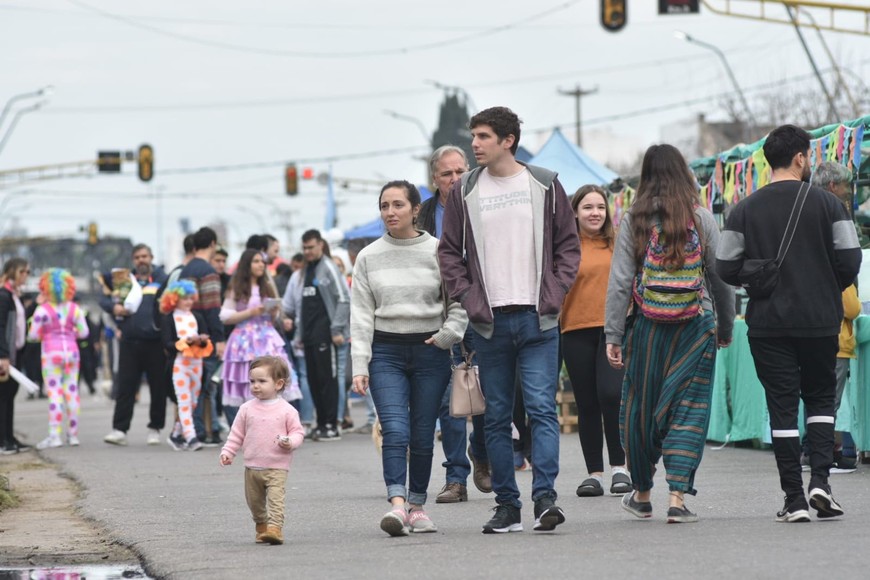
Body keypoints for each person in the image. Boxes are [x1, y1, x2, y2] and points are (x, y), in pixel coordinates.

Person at [438, 106, 579, 534]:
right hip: (489, 322)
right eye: (474, 136)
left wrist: (554, 292)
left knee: (540, 410)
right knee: (496, 416)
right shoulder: (464, 190)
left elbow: (568, 247)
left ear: (507, 140)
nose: (474, 144)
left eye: (482, 137)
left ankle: (545, 499)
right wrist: (470, 299)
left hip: (539, 319)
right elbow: (449, 254)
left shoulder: (545, 184)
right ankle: (506, 505)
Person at [717, 125, 862, 522]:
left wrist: (757, 272)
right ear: (800, 158)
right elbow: (850, 261)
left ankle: (794, 499)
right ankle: (820, 482)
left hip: (768, 323)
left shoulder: (743, 209)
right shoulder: (831, 206)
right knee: (819, 400)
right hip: (819, 320)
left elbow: (724, 265)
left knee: (781, 406)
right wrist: (822, 281)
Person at [605, 143, 734, 524]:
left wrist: (613, 334)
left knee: (641, 409)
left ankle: (642, 493)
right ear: (684, 173)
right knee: (688, 410)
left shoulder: (635, 219)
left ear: (646, 176)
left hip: (647, 328)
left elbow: (619, 282)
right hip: (695, 328)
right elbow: (721, 278)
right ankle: (676, 497)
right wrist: (724, 326)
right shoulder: (700, 217)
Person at [351, 180, 467, 536]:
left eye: (398, 204)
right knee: (395, 430)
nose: (390, 212)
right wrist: (359, 364)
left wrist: (449, 335)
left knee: (421, 434)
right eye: (384, 205)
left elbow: (459, 300)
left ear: (416, 209)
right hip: (385, 352)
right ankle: (398, 504)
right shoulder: (368, 256)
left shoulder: (439, 250)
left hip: (430, 350)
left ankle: (417, 505)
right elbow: (359, 315)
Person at [420, 144, 492, 503]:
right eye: (446, 173)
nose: (454, 179)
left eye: (459, 171)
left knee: (483, 395)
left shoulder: (485, 207)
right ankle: (456, 478)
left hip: (483, 312)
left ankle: (481, 453)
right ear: (435, 178)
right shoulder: (422, 216)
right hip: (441, 317)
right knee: (450, 404)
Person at [561, 185, 630, 497]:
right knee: (587, 402)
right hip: (574, 330)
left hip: (612, 331)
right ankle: (595, 474)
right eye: (587, 207)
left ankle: (620, 469)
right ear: (575, 211)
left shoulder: (617, 244)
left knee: (611, 394)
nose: (595, 213)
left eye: (600, 207)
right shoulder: (564, 247)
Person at [220, 355, 305, 546]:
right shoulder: (246, 409)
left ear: (278, 383)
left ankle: (275, 528)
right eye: (252, 381)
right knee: (255, 502)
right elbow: (236, 434)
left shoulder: (287, 410)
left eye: (261, 381)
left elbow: (298, 433)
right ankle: (261, 525)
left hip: (277, 466)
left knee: (276, 499)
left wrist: (290, 442)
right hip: (252, 467)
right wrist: (228, 451)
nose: (255, 386)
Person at [810, 162, 861, 472]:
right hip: (834, 335)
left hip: (807, 327)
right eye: (844, 187)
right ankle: (825, 456)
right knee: (828, 401)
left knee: (812, 398)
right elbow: (852, 307)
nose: (847, 193)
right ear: (832, 188)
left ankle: (811, 453)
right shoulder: (834, 228)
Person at [220, 249, 300, 426]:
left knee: (275, 376)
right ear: (246, 264)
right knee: (250, 382)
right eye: (256, 261)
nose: (261, 265)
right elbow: (225, 316)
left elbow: (273, 316)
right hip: (244, 340)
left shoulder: (267, 286)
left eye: (262, 262)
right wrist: (251, 312)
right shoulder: (237, 287)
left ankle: (273, 424)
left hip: (267, 336)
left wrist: (273, 313)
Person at [102, 244, 169, 447]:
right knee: (126, 387)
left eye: (145, 256)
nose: (142, 260)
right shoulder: (123, 280)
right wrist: (113, 307)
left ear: (151, 257)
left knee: (158, 387)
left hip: (155, 343)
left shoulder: (161, 279)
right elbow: (102, 298)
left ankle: (155, 428)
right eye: (138, 257)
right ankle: (119, 430)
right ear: (133, 260)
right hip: (129, 342)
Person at [297, 229, 350, 441]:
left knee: (328, 380)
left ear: (320, 245)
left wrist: (336, 329)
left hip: (326, 335)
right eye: (305, 248)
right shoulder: (307, 269)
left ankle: (331, 424)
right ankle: (320, 424)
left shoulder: (328, 267)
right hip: (309, 337)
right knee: (314, 380)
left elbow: (344, 299)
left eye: (311, 247)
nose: (307, 251)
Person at [28, 269, 90, 449]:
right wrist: (72, 333)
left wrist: (43, 333)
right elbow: (85, 332)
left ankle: (55, 435)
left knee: (54, 394)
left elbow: (32, 335)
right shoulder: (75, 309)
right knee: (71, 391)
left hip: (50, 353)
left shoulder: (42, 310)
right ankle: (73, 435)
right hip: (71, 352)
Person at [179, 227, 226, 445]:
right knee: (203, 385)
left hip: (186, 334)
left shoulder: (184, 271)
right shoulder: (208, 271)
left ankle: (193, 430)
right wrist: (219, 339)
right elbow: (212, 306)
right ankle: (199, 431)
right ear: (213, 244)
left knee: (191, 385)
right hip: (205, 335)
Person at [160, 280, 213, 451]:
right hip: (179, 364)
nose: (189, 301)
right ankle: (190, 437)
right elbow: (167, 344)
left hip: (197, 364)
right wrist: (186, 342)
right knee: (184, 401)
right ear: (174, 299)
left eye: (191, 298)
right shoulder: (169, 318)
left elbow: (206, 341)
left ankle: (176, 434)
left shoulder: (197, 317)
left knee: (193, 403)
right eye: (184, 298)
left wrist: (202, 341)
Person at [0, 258, 33, 455]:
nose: (26, 276)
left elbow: (22, 322)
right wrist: (3, 355)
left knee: (10, 395)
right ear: (14, 272)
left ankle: (9, 436)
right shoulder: (4, 296)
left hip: (16, 352)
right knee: (3, 397)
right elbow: (1, 326)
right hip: (6, 355)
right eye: (24, 272)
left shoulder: (14, 295)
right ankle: (3, 440)